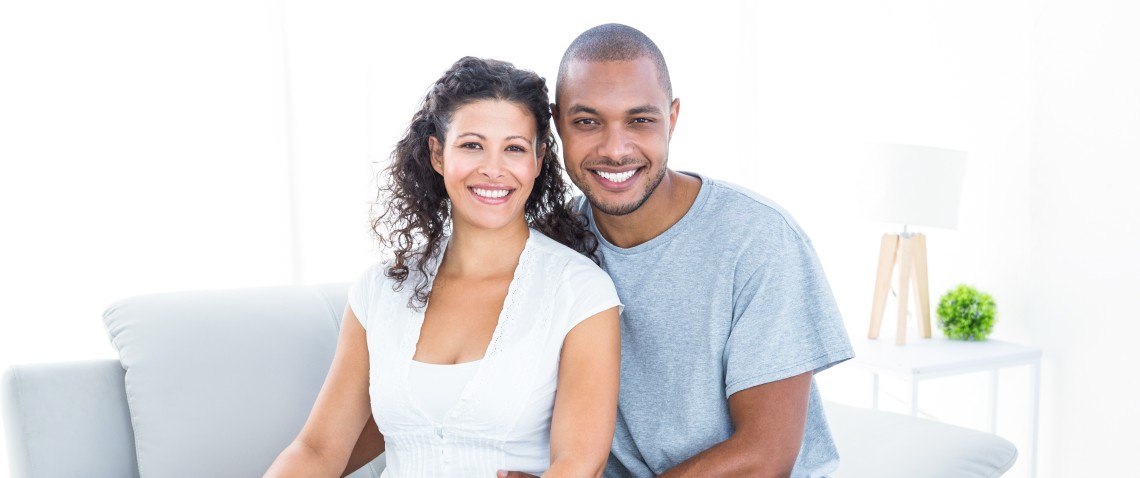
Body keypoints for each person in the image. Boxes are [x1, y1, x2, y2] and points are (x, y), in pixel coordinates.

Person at [505, 23, 855, 478]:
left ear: (671, 118)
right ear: (557, 126)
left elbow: (766, 457)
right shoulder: (551, 244)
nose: (615, 149)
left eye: (640, 120)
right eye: (588, 122)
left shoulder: (758, 239)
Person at [263, 56, 622, 478]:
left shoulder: (581, 294)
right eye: (472, 145)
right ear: (437, 153)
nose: (493, 167)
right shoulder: (381, 289)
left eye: (514, 148)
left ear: (539, 159)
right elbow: (318, 450)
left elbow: (580, 464)